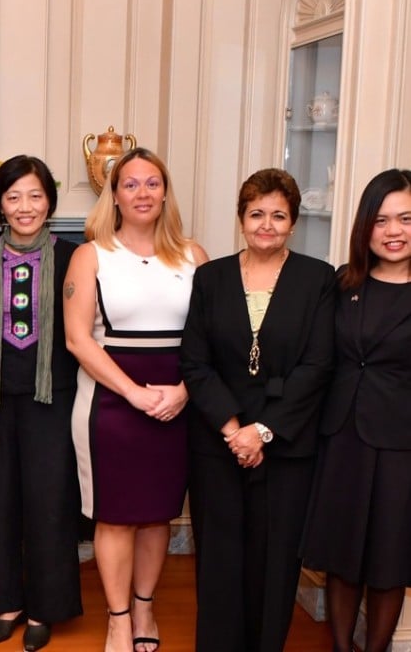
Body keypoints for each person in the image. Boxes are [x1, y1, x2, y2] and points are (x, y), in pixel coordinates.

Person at [179, 168, 335, 652]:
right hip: (218, 441)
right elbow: (194, 360)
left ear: (293, 222)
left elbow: (318, 364)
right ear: (241, 219)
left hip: (286, 444)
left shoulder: (317, 279)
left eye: (278, 215)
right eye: (256, 214)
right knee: (220, 559)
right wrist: (233, 429)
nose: (266, 224)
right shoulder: (211, 277)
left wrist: (263, 432)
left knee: (275, 560)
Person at [62, 147, 208, 652]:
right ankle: (119, 618)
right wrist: (133, 394)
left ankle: (145, 608)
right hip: (110, 404)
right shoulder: (91, 255)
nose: (142, 192)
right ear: (115, 195)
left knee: (157, 514)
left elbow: (214, 340)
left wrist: (186, 392)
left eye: (152, 183)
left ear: (165, 192)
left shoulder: (194, 256)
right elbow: (78, 340)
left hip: (178, 401)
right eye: (130, 184)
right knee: (116, 514)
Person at [0, 156, 82, 652]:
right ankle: (6, 602)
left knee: (50, 504)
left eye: (35, 195)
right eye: (13, 197)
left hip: (52, 398)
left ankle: (44, 608)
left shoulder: (77, 256)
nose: (25, 206)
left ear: (50, 201)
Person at [302, 168, 411, 652]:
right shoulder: (341, 283)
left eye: (406, 219)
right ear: (365, 226)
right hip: (341, 437)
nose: (393, 231)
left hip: (401, 444)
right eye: (382, 219)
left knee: (390, 561)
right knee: (341, 556)